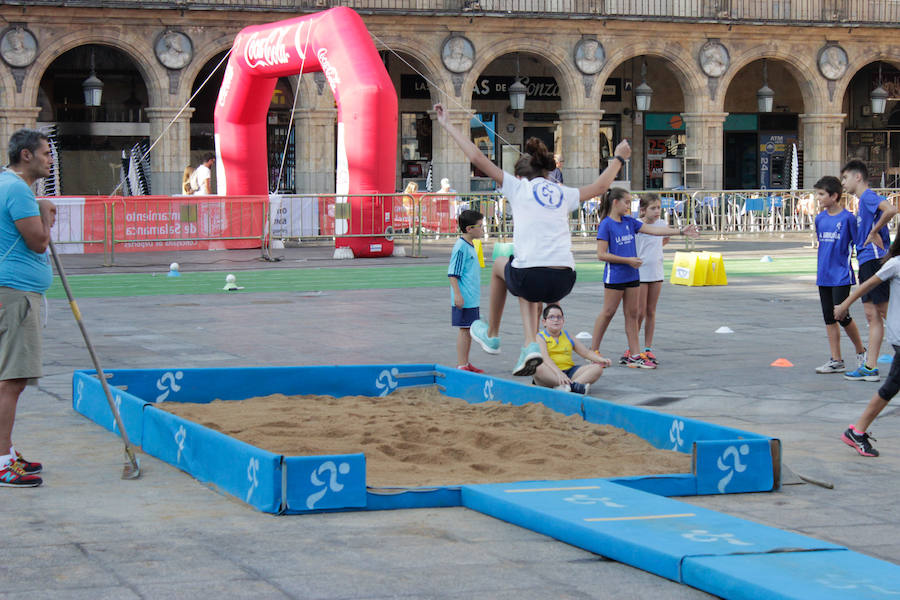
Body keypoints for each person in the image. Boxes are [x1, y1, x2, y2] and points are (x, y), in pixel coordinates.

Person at [434, 102, 631, 377]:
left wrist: (446, 125)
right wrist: (619, 158)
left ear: (521, 176)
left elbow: (478, 158)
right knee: (525, 275)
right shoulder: (563, 192)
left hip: (531, 275)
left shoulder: (518, 188)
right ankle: (530, 347)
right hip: (564, 280)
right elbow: (600, 187)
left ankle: (493, 335)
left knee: (501, 265)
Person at [0, 129, 57, 487]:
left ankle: (4, 448)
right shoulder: (17, 188)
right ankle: (2, 460)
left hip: (13, 292)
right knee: (12, 379)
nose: (50, 160)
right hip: (15, 295)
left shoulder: (10, 185)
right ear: (26, 155)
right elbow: (37, 242)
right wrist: (46, 217)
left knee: (8, 376)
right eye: (46, 154)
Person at [591, 188, 698, 369]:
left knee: (633, 315)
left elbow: (653, 231)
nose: (628, 206)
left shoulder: (629, 222)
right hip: (616, 275)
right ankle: (593, 351)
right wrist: (627, 260)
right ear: (615, 202)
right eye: (626, 202)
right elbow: (601, 254)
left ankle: (634, 354)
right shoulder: (606, 224)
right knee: (608, 312)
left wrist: (680, 232)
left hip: (633, 274)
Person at [834, 233, 900, 456]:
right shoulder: (895, 263)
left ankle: (858, 431)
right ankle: (858, 431)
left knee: (893, 385)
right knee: (891, 386)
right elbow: (867, 286)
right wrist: (844, 305)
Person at [841, 159, 897, 381]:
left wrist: (874, 231)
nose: (843, 183)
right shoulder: (861, 202)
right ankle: (870, 367)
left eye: (845, 178)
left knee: (886, 313)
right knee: (872, 315)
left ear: (858, 177)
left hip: (874, 261)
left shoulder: (868, 197)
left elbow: (891, 209)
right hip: (865, 261)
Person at [812, 175, 866, 374]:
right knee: (829, 318)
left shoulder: (848, 219)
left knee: (841, 315)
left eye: (821, 194)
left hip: (841, 275)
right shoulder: (820, 218)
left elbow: (858, 244)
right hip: (823, 275)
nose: (818, 198)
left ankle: (861, 351)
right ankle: (836, 359)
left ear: (834, 196)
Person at [533, 304, 611, 394]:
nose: (556, 320)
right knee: (537, 367)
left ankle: (569, 387)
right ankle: (570, 386)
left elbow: (586, 353)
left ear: (563, 320)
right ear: (544, 322)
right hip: (550, 374)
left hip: (569, 371)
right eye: (551, 317)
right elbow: (546, 358)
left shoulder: (567, 335)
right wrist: (559, 373)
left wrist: (601, 359)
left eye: (559, 317)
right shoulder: (540, 337)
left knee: (597, 368)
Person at [633, 193, 669, 365]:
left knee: (651, 311)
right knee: (639, 312)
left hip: (656, 271)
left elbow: (665, 239)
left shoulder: (662, 224)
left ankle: (648, 347)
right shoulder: (636, 225)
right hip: (640, 272)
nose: (656, 212)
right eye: (652, 208)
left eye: (658, 208)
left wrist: (655, 252)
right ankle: (633, 347)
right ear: (643, 210)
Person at [449, 209, 485, 373]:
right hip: (465, 297)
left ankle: (466, 362)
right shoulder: (461, 247)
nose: (482, 229)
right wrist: (457, 294)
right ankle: (461, 364)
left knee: (469, 329)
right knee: (464, 330)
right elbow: (453, 274)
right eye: (480, 226)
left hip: (472, 297)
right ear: (469, 229)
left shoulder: (472, 245)